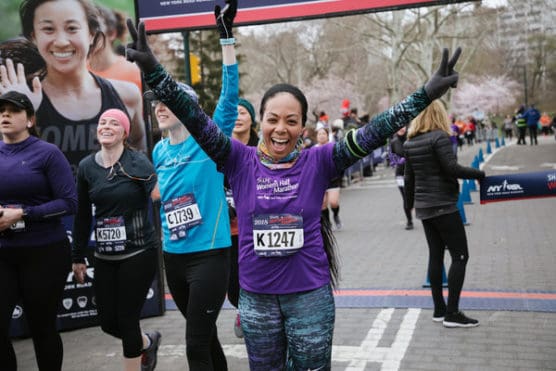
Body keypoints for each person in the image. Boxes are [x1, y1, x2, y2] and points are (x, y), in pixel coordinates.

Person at [125, 19, 462, 368]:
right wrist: (153, 69)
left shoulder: (321, 160)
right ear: (262, 122)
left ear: (302, 126)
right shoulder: (238, 159)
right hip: (256, 301)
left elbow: (376, 131)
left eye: (291, 120)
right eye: (273, 119)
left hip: (309, 299)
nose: (280, 129)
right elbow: (194, 118)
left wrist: (424, 96)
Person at [150, 1, 238, 368]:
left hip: (210, 255)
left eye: (168, 101)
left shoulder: (208, 140)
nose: (159, 106)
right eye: (156, 101)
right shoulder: (157, 150)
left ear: (188, 108)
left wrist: (226, 39)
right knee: (206, 336)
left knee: (194, 343)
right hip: (173, 257)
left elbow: (229, 99)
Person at [0, 0, 146, 175]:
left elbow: (141, 164)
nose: (61, 41)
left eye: (72, 28)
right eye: (48, 29)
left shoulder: (127, 95)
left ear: (91, 34)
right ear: (33, 36)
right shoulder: (14, 99)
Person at [72, 108, 160, 371]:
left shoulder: (138, 162)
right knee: (108, 322)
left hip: (138, 252)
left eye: (114, 123)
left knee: (127, 318)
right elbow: (82, 215)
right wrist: (77, 256)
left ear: (125, 133)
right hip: (105, 256)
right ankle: (147, 342)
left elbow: (159, 198)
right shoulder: (87, 167)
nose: (106, 126)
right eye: (102, 122)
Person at [0, 91, 77, 371]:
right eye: (2, 110)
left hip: (43, 252)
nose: (5, 115)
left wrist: (23, 214)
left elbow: (69, 203)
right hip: (3, 254)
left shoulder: (47, 153)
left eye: (13, 110)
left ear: (30, 119)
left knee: (42, 328)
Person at [403, 100, 485, 328]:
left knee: (436, 256)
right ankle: (453, 313)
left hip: (425, 208)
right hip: (444, 205)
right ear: (440, 114)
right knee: (460, 256)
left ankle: (439, 310)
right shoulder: (439, 138)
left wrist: (410, 206)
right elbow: (452, 168)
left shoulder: (410, 143)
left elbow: (409, 178)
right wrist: (479, 174)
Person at [227, 97, 259, 339]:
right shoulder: (220, 146)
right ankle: (242, 307)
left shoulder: (263, 146)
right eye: (234, 113)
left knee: (256, 273)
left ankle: (251, 313)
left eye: (243, 113)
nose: (238, 117)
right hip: (228, 229)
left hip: (257, 226)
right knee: (232, 284)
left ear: (252, 119)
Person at [88, 4, 142, 91]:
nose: (89, 33)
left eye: (95, 26)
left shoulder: (133, 72)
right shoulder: (76, 72)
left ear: (112, 33)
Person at [315, 126, 343, 230]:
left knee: (334, 202)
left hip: (332, 179)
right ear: (317, 137)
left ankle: (336, 215)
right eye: (319, 134)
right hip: (319, 180)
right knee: (322, 204)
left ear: (327, 136)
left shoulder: (333, 147)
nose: (321, 136)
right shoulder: (314, 150)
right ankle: (327, 223)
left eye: (323, 134)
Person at [389, 126, 413, 230]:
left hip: (412, 172)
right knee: (406, 198)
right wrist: (396, 161)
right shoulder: (393, 142)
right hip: (400, 173)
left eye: (403, 126)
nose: (401, 128)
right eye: (398, 126)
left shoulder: (411, 139)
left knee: (412, 196)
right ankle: (409, 221)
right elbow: (391, 158)